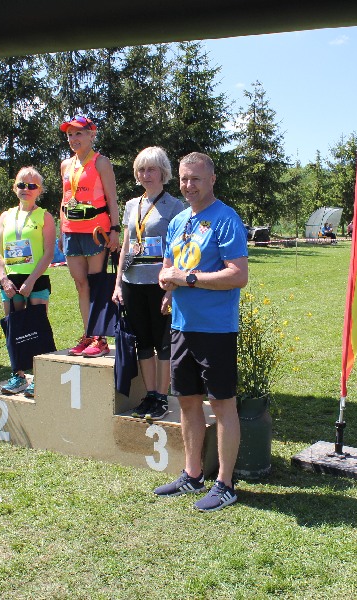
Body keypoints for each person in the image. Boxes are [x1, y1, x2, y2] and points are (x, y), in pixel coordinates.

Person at [154, 152, 249, 512]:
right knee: (188, 401)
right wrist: (168, 285)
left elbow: (238, 275)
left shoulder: (226, 219)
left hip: (215, 329)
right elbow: (170, 265)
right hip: (182, 326)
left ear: (211, 180)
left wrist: (187, 279)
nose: (189, 185)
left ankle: (225, 484)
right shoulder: (179, 221)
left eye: (195, 178)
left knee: (222, 404)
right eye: (183, 178)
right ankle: (192, 475)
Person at [112, 147, 185, 420]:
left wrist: (172, 287)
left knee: (163, 342)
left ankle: (163, 396)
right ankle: (150, 395)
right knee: (142, 342)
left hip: (160, 284)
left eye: (151, 169)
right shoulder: (132, 205)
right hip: (133, 282)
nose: (146, 174)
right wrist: (118, 283)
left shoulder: (176, 207)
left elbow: (180, 250)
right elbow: (126, 246)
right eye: (141, 169)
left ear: (163, 172)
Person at [59, 115, 121, 358]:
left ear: (91, 135)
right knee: (80, 284)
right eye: (70, 134)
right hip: (71, 230)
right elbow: (64, 199)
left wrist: (115, 229)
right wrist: (61, 229)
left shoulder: (101, 162)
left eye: (79, 133)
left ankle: (99, 338)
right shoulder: (66, 165)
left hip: (96, 231)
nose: (74, 138)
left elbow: (112, 198)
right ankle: (88, 334)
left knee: (96, 284)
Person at [0, 167, 56, 397]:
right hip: (11, 281)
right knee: (14, 329)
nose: (25, 189)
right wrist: (3, 278)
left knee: (37, 329)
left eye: (31, 186)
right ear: (14, 187)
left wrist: (31, 280)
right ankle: (17, 375)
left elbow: (48, 253)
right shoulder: (6, 216)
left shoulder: (45, 217)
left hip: (35, 279)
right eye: (21, 184)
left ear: (39, 190)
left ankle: (39, 377)